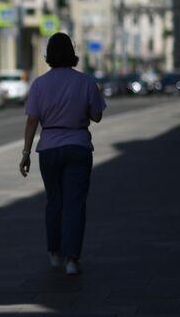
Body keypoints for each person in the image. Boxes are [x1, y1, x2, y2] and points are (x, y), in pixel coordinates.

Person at [19, 33, 106, 275]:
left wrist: (26, 153)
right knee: (75, 204)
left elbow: (31, 121)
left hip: (48, 149)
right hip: (78, 146)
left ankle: (54, 253)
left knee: (54, 202)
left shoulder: (39, 84)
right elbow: (97, 116)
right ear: (72, 52)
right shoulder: (86, 82)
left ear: (49, 55)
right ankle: (71, 258)